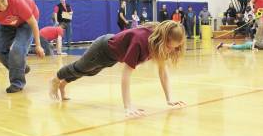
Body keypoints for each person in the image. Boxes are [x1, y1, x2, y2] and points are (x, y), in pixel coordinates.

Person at [49, 21, 186, 117]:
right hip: (102, 49)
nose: (171, 51)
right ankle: (55, 79)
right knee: (80, 67)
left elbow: (163, 72)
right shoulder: (140, 42)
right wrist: (128, 107)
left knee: (88, 72)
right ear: (163, 39)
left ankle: (63, 85)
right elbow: (126, 75)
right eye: (170, 47)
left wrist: (169, 99)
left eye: (175, 48)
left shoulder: (158, 43)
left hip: (112, 56)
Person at [0, 0, 45, 93]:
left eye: (3, 1)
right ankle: (22, 67)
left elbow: (33, 22)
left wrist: (38, 45)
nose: (2, 6)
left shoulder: (16, 0)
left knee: (17, 49)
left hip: (26, 22)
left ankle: (17, 83)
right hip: (7, 22)